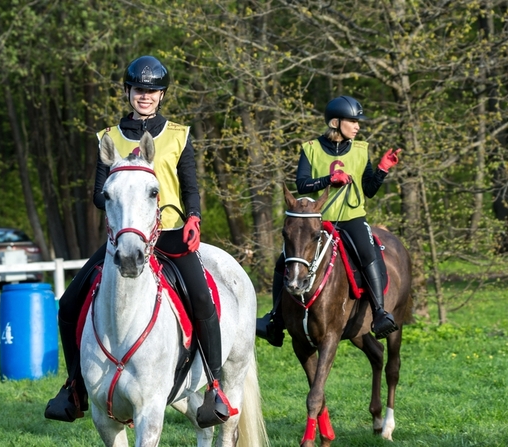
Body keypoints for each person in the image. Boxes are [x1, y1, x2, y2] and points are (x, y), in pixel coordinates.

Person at [45, 55, 232, 427]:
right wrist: (124, 186)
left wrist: (194, 217)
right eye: (137, 90)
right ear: (127, 92)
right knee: (68, 304)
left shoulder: (178, 134)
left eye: (151, 91)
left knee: (202, 300)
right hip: (125, 237)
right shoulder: (109, 137)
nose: (143, 97)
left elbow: (191, 186)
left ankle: (213, 387)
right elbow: (99, 195)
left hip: (171, 235)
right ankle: (75, 387)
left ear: (161, 95)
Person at [256, 95, 401, 346]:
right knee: (284, 262)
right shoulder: (310, 148)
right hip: (319, 221)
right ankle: (275, 319)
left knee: (370, 255)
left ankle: (379, 313)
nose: (357, 126)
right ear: (336, 122)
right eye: (353, 121)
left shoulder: (360, 149)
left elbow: (369, 189)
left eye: (358, 122)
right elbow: (301, 183)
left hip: (352, 218)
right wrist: (328, 180)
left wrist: (382, 169)